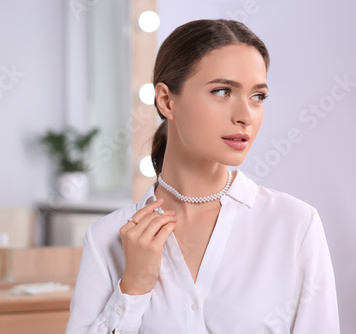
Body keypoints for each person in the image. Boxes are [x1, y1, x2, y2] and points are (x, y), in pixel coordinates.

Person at [66, 19, 339, 333]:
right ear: (167, 100)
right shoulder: (108, 237)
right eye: (222, 91)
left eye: (257, 97)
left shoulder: (294, 225)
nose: (245, 116)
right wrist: (133, 289)